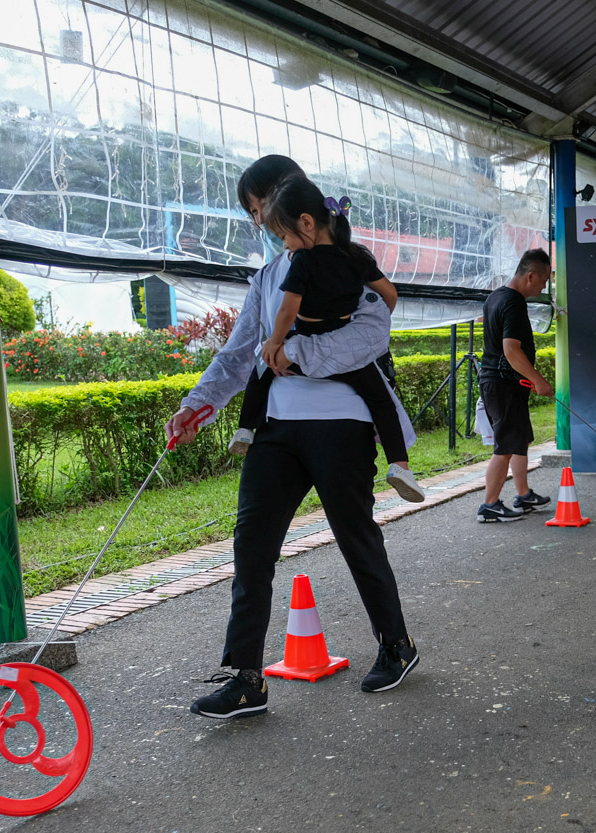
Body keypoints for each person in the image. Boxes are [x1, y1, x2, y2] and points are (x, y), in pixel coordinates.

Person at [165, 154, 420, 720]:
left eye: (264, 209)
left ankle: (396, 644)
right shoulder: (266, 278)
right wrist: (196, 405)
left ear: (295, 202)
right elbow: (240, 354)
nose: (263, 224)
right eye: (258, 216)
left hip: (342, 422)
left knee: (355, 535)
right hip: (276, 429)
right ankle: (245, 676)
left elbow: (372, 336)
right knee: (252, 543)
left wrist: (291, 355)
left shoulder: (347, 261)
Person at [228, 173, 425, 503]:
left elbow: (288, 311)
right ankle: (400, 465)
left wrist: (276, 342)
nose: (284, 244)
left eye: (283, 236)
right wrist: (380, 312)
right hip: (345, 356)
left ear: (305, 223)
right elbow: (389, 294)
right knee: (381, 402)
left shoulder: (302, 262)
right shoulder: (356, 257)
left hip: (302, 347)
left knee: (261, 371)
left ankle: (246, 428)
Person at [475, 248, 552, 523]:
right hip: (502, 384)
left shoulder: (495, 296)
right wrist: (538, 380)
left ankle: (523, 494)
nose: (545, 286)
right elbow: (511, 350)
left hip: (504, 382)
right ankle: (489, 505)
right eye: (544, 280)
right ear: (530, 275)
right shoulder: (514, 303)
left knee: (519, 439)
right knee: (505, 445)